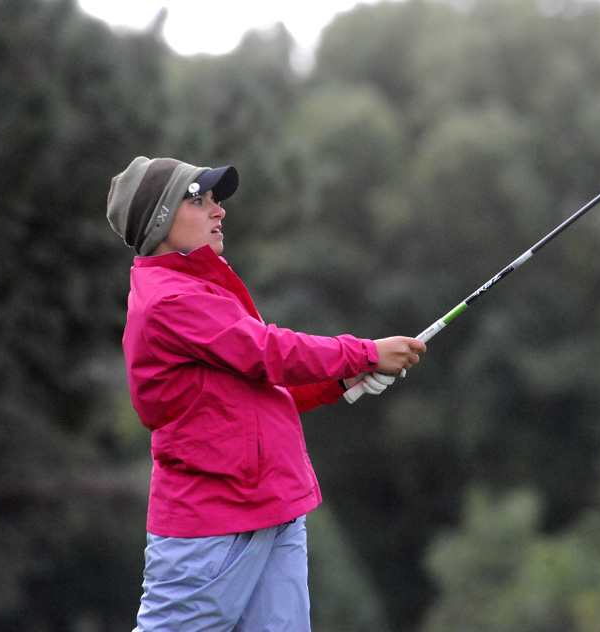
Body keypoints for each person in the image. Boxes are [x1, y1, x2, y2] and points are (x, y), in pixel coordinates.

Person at [106, 156, 425, 631]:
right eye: (201, 200)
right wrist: (363, 354)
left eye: (214, 200)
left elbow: (254, 395)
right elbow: (268, 352)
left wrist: (338, 381)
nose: (219, 212)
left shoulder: (203, 290)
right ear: (161, 221)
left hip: (273, 509)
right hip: (211, 524)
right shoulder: (171, 300)